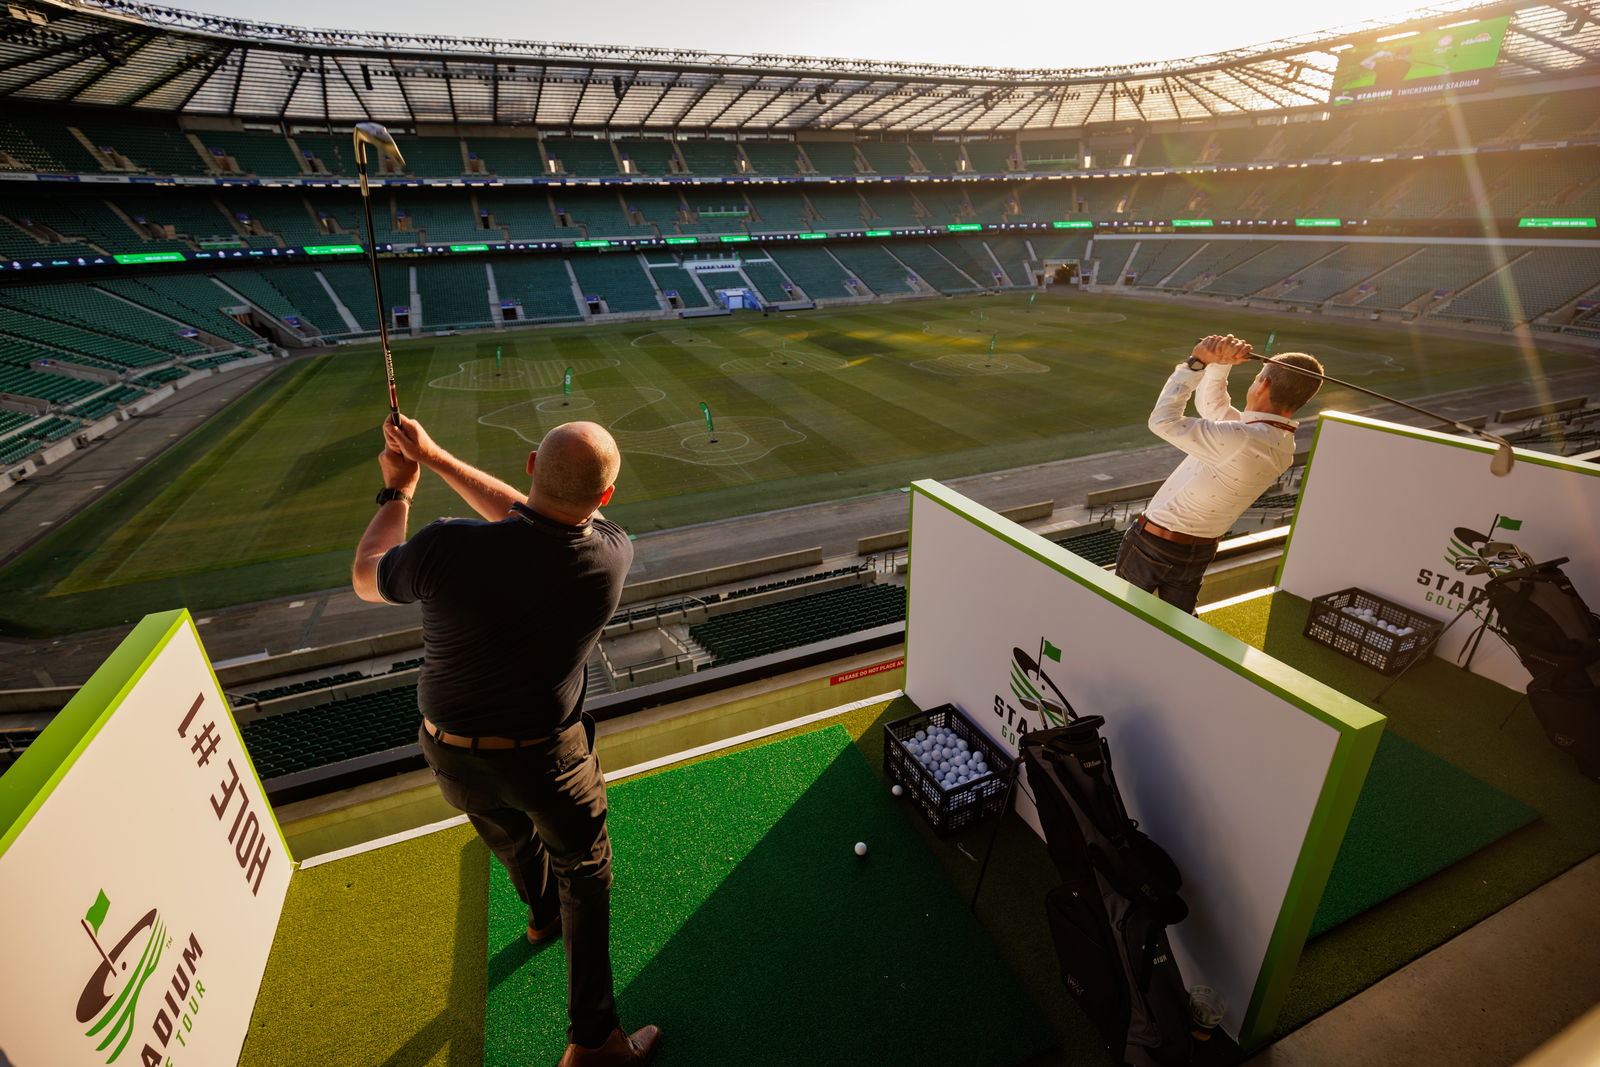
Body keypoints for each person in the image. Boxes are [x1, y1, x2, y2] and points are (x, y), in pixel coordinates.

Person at [352, 414, 660, 1067]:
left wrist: (400, 489)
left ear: (530, 466)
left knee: (513, 838)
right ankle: (594, 1042)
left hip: (453, 753)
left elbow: (365, 573)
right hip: (551, 759)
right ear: (606, 497)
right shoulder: (611, 551)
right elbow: (538, 521)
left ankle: (541, 916)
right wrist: (434, 457)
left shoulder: (446, 546)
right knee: (585, 872)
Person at [1113, 334, 1323, 614]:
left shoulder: (1242, 438)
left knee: (1118, 614)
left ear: (1263, 384)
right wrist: (1221, 364)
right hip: (1197, 552)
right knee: (1177, 626)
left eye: (1256, 378)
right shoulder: (1280, 443)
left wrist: (1196, 364)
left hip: (1154, 545)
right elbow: (1214, 410)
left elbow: (1163, 421)